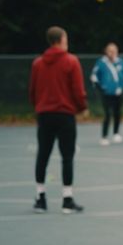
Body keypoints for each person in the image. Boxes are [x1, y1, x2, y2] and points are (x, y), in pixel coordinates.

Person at [29, 26, 87, 214]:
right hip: (65, 114)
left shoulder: (38, 63)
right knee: (67, 157)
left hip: (45, 114)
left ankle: (40, 198)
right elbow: (77, 89)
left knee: (43, 155)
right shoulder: (71, 61)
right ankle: (67, 199)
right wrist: (82, 107)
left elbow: (33, 90)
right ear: (61, 40)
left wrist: (38, 106)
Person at [90, 42, 123, 145]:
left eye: (114, 51)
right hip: (106, 94)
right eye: (110, 51)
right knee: (107, 114)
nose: (112, 53)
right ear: (106, 52)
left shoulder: (122, 62)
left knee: (117, 113)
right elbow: (94, 77)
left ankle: (116, 133)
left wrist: (121, 87)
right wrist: (101, 88)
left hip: (119, 93)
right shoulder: (101, 63)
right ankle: (104, 136)